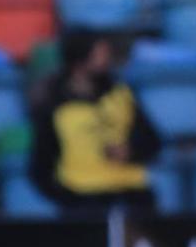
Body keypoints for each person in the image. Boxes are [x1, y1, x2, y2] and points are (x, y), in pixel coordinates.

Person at [27, 31, 163, 217]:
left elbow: (152, 141)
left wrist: (131, 150)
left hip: (132, 196)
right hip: (82, 202)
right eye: (99, 55)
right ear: (79, 60)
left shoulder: (121, 95)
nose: (107, 60)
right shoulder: (54, 105)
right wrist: (66, 197)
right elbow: (40, 164)